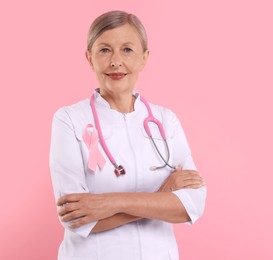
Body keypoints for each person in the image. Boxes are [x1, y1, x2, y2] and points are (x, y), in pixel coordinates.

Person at [50, 10, 206, 260]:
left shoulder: (166, 121)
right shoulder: (69, 120)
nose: (115, 61)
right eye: (104, 50)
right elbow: (77, 219)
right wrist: (160, 197)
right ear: (89, 57)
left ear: (144, 58)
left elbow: (191, 205)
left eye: (127, 50)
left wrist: (111, 202)